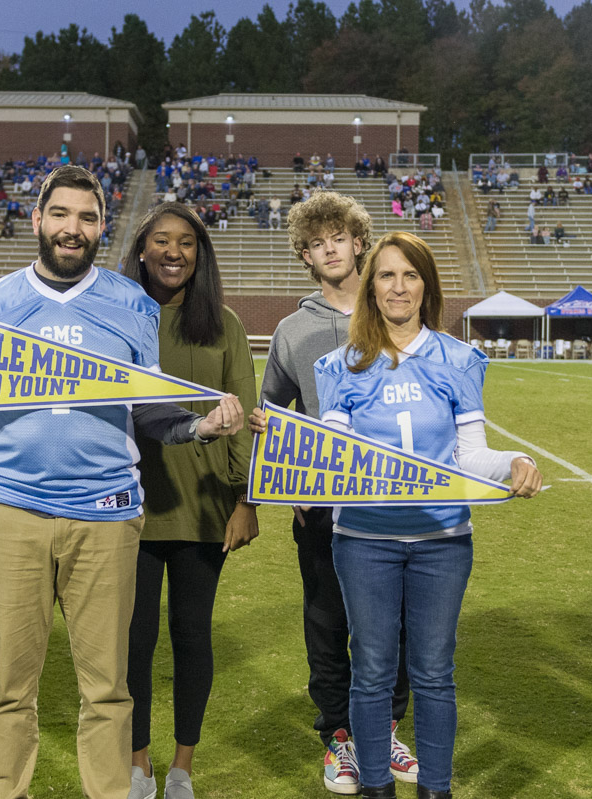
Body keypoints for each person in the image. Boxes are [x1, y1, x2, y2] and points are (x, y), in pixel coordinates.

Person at [0, 167, 243, 799]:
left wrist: (200, 429)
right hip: (14, 511)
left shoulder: (131, 304)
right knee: (10, 686)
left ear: (101, 228)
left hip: (106, 516)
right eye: (61, 215)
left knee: (108, 687)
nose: (73, 229)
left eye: (87, 218)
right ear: (38, 220)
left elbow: (147, 410)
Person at [309, 231, 541, 798]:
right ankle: (375, 787)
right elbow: (339, 460)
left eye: (411, 275)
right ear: (371, 285)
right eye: (386, 274)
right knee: (371, 674)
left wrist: (515, 460)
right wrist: (294, 444)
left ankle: (437, 788)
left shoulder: (459, 358)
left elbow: (469, 455)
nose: (399, 286)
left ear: (426, 285)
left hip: (442, 540)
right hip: (364, 540)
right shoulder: (338, 365)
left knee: (435, 674)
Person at [248, 191, 419, 795]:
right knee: (326, 620)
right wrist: (286, 477)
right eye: (316, 242)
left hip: (392, 498)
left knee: (393, 623)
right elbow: (271, 414)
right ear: (306, 255)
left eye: (338, 237)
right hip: (322, 505)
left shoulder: (394, 311)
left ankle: (387, 728)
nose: (329, 248)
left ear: (357, 242)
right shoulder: (292, 331)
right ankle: (339, 739)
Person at [120, 203, 258, 799]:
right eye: (161, 241)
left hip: (205, 508)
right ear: (143, 251)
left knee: (192, 634)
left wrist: (247, 500)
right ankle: (137, 765)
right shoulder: (118, 317)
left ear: (200, 254)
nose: (174, 251)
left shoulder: (222, 323)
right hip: (132, 505)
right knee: (134, 639)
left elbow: (249, 417)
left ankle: (182, 769)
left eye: (187, 243)